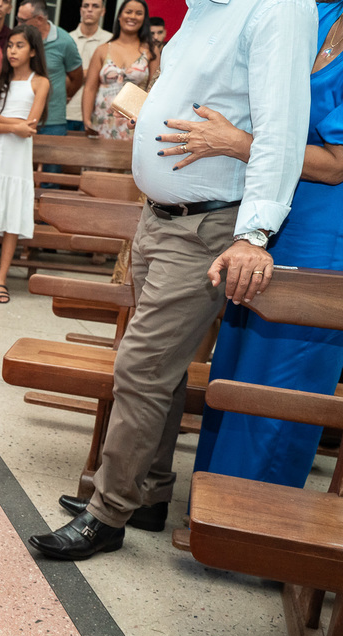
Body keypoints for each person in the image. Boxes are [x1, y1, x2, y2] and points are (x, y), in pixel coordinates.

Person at [29, 0, 317, 561]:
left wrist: (253, 234)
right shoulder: (203, 11)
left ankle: (107, 513)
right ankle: (149, 493)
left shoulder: (278, 8)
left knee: (139, 364)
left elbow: (281, 130)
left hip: (209, 222)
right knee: (158, 369)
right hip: (160, 216)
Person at [161, 2, 343, 492]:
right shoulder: (313, 13)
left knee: (285, 379)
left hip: (324, 231)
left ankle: (256, 518)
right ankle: (210, 503)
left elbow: (336, 163)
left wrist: (239, 142)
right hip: (265, 212)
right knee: (236, 363)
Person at [0, 25, 49, 304]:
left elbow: (31, 124)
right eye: (10, 45)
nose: (12, 51)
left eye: (19, 46)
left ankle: (1, 278)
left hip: (18, 159)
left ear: (32, 50)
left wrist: (5, 122)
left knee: (12, 219)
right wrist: (14, 125)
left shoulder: (39, 82)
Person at [82, 0, 158, 139]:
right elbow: (90, 88)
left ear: (144, 18)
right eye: (128, 12)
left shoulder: (151, 52)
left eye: (138, 13)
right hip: (101, 120)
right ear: (119, 16)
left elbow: (154, 92)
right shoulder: (103, 50)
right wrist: (86, 121)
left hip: (133, 123)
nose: (133, 16)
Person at [17, 1, 82, 139]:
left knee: (52, 160)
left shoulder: (64, 41)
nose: (18, 25)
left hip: (52, 121)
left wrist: (62, 97)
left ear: (39, 19)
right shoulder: (19, 39)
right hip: (20, 117)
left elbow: (77, 77)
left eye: (22, 20)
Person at [67, 0, 112, 132]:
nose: (90, 10)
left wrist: (74, 75)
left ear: (103, 11)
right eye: (86, 6)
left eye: (95, 6)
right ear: (81, 10)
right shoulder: (67, 39)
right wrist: (93, 74)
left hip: (98, 113)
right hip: (67, 111)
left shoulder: (110, 41)